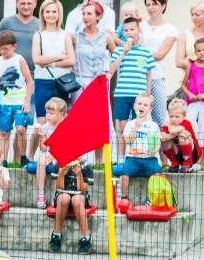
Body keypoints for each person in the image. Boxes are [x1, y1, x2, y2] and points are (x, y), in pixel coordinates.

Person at [0, 0, 39, 166]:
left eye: (29, 3)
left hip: (27, 82)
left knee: (21, 126)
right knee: (4, 128)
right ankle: (2, 160)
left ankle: (19, 161)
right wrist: (5, 68)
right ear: (17, 3)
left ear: (35, 4)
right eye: (22, 2)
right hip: (7, 88)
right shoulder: (7, 22)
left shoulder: (39, 24)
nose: (26, 6)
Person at [70, 1, 115, 165]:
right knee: (78, 123)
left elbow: (116, 56)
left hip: (99, 84)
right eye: (84, 14)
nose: (85, 17)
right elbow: (69, 56)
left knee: (100, 124)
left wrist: (109, 73)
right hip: (80, 84)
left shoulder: (105, 37)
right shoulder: (75, 36)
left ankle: (99, 162)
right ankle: (77, 160)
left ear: (98, 16)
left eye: (89, 14)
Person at [108, 17, 154, 162]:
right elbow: (111, 69)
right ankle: (121, 158)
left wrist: (148, 94)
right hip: (122, 93)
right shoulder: (119, 50)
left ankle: (136, 156)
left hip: (139, 96)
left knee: (138, 126)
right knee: (122, 127)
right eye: (126, 30)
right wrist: (123, 53)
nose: (129, 32)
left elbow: (149, 75)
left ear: (138, 31)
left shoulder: (146, 51)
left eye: (132, 29)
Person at [31, 0, 75, 154]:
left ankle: (58, 154)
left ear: (59, 14)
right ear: (42, 13)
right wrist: (58, 56)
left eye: (54, 12)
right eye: (48, 11)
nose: (51, 15)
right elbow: (37, 59)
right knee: (42, 121)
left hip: (61, 82)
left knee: (61, 121)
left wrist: (51, 62)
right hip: (43, 81)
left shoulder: (65, 35)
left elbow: (71, 60)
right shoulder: (38, 35)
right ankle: (32, 156)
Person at [141, 0, 178, 128]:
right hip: (138, 76)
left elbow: (160, 55)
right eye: (148, 4)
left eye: (154, 4)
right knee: (136, 116)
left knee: (158, 118)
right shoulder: (139, 26)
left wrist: (141, 51)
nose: (150, 8)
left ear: (163, 5)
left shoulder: (170, 29)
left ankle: (157, 148)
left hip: (157, 77)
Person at [119, 92, 161, 201]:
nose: (142, 106)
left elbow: (158, 142)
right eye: (139, 104)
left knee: (157, 174)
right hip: (133, 158)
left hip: (149, 158)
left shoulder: (153, 125)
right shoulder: (130, 124)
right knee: (124, 174)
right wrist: (136, 127)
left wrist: (155, 150)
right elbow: (128, 141)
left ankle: (150, 199)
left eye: (145, 105)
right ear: (134, 106)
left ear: (150, 109)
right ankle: (123, 197)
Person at [48, 158, 94, 254]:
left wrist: (79, 174)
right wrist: (61, 173)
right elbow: (58, 188)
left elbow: (83, 190)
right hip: (62, 194)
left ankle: (85, 237)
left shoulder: (86, 166)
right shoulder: (58, 163)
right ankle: (56, 235)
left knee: (76, 199)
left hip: (80, 195)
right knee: (64, 198)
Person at [35, 97, 67, 208]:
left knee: (57, 164)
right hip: (48, 154)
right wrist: (42, 136)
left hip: (60, 154)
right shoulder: (45, 127)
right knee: (41, 161)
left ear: (61, 114)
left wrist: (54, 155)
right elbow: (43, 148)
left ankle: (56, 194)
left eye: (51, 113)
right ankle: (41, 195)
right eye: (47, 112)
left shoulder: (65, 127)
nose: (48, 115)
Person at [161, 99, 201, 172]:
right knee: (165, 141)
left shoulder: (186, 123)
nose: (174, 119)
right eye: (171, 116)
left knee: (183, 136)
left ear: (184, 116)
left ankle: (188, 164)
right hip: (178, 153)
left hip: (192, 154)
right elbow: (162, 138)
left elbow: (173, 130)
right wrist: (174, 133)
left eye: (177, 116)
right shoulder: (168, 123)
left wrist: (169, 126)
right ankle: (174, 163)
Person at [181, 37, 204, 146]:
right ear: (195, 52)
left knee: (202, 132)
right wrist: (190, 94)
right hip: (192, 102)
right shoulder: (191, 65)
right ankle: (187, 156)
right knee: (186, 126)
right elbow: (183, 85)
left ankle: (201, 162)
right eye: (199, 50)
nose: (202, 53)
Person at [175, 1, 204, 70]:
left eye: (197, 15)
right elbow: (178, 62)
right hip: (189, 79)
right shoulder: (185, 35)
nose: (194, 18)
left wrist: (196, 63)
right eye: (192, 14)